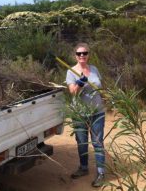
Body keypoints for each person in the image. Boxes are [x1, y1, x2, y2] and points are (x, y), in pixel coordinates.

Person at [65, 43, 106, 188]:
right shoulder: (71, 71)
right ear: (75, 55)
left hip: (97, 112)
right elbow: (73, 93)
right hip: (80, 114)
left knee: (98, 142)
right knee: (82, 143)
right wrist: (80, 84)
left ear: (88, 54)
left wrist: (106, 97)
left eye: (85, 53)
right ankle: (83, 168)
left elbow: (100, 87)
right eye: (79, 53)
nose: (82, 56)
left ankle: (101, 173)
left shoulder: (94, 69)